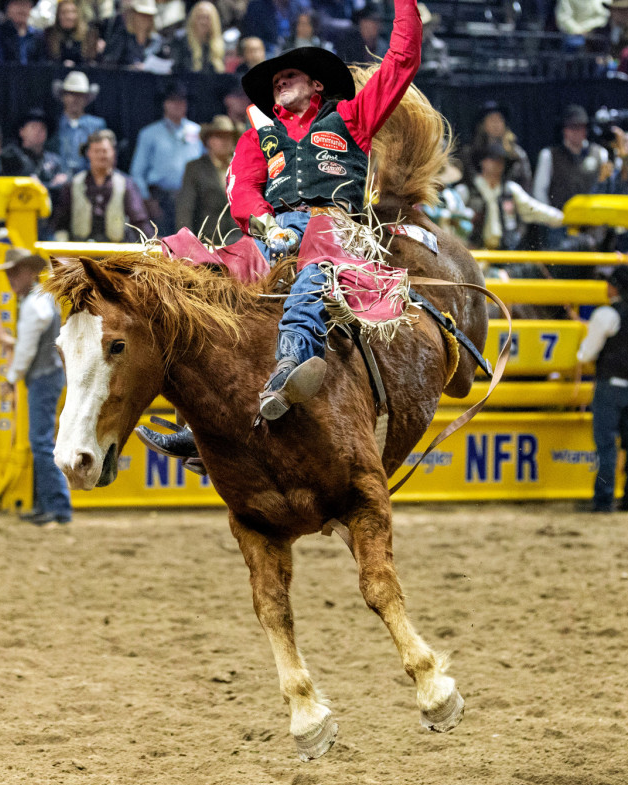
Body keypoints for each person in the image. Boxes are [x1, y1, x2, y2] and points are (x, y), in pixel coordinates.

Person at [140, 0, 431, 456]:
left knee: (318, 260)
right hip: (272, 233)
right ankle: (196, 423)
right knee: (189, 273)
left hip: (335, 227)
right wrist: (265, 224)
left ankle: (293, 361)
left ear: (317, 84)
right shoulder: (259, 136)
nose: (279, 82)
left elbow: (402, 61)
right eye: (275, 81)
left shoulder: (352, 117)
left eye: (288, 76)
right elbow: (243, 191)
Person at [0, 248, 73, 527]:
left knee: (40, 442)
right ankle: (49, 505)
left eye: (15, 272)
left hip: (42, 376)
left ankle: (57, 507)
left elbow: (29, 347)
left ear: (28, 272)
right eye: (9, 274)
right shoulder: (40, 299)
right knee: (41, 441)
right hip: (47, 374)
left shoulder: (33, 305)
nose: (11, 279)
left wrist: (11, 377)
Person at [576, 265, 628, 513]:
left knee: (606, 445)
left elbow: (587, 353)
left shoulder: (606, 314)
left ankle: (604, 499)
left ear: (615, 287)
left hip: (609, 386)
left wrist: (581, 350)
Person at [129, 81, 203, 236]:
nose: (178, 104)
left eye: (182, 100)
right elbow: (137, 172)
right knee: (162, 243)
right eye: (172, 100)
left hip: (192, 197)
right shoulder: (150, 133)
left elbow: (204, 165)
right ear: (164, 103)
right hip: (160, 199)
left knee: (191, 244)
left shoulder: (197, 132)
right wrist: (146, 199)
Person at [53, 128, 154, 242]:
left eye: (105, 151)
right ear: (88, 153)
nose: (101, 156)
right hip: (80, 252)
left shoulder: (125, 184)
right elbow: (60, 223)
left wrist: (151, 243)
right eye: (96, 151)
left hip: (115, 252)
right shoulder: (73, 184)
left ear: (113, 153)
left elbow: (139, 220)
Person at [458, 143, 564, 250]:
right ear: (482, 162)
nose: (497, 164)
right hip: (474, 252)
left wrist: (563, 218)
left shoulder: (510, 190)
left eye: (501, 161)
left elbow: (535, 209)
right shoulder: (467, 190)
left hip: (504, 253)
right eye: (493, 159)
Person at [532, 105, 609, 251]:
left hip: (592, 225)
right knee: (562, 266)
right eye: (572, 127)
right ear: (564, 130)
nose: (576, 132)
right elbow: (539, 192)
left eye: (580, 127)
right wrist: (553, 219)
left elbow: (605, 190)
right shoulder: (550, 155)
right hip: (560, 226)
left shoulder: (600, 154)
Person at [176, 115, 240, 240]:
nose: (224, 141)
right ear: (208, 140)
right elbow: (185, 208)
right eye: (219, 136)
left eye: (228, 136)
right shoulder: (195, 168)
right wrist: (186, 241)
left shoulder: (241, 166)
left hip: (239, 240)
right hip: (208, 239)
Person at [462, 101, 533, 191]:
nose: (496, 124)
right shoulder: (470, 153)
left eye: (499, 119)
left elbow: (526, 184)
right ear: (482, 124)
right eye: (491, 119)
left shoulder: (516, 154)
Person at [54, 71, 107, 174]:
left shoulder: (97, 125)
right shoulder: (55, 124)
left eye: (80, 95)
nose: (75, 99)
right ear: (63, 96)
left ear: (86, 99)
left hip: (88, 182)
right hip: (58, 181)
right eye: (71, 94)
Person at [100, 0, 164, 67]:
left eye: (148, 15)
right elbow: (110, 64)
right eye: (141, 14)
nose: (144, 19)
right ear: (133, 15)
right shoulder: (122, 37)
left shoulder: (157, 41)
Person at [169, 0, 225, 72]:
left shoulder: (219, 45)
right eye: (200, 17)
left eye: (207, 18)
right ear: (193, 19)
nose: (203, 22)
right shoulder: (181, 41)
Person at [45, 0, 99, 65]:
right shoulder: (49, 34)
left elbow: (91, 61)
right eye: (64, 12)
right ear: (58, 15)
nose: (69, 17)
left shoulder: (89, 34)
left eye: (73, 12)